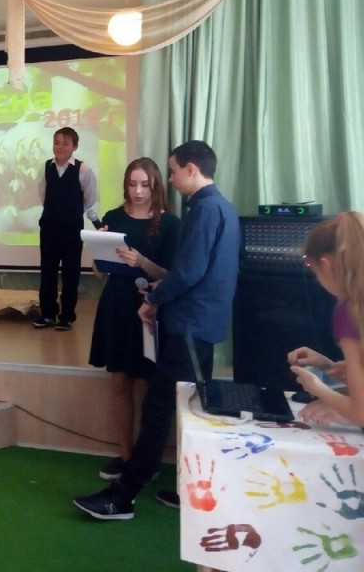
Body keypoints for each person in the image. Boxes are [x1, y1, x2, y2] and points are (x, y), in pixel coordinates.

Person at [73, 140, 239, 520]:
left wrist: (154, 299)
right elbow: (197, 271)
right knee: (186, 406)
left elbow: (189, 272)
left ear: (192, 169)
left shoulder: (204, 209)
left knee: (159, 407)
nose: (172, 179)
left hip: (190, 324)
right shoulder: (220, 207)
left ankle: (123, 497)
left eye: (175, 171)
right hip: (202, 323)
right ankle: (187, 488)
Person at [88, 158, 181, 481]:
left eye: (145, 185)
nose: (138, 191)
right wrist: (98, 249)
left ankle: (145, 460)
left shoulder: (170, 223)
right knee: (119, 382)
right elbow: (99, 273)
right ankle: (126, 457)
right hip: (116, 303)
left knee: (147, 385)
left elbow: (171, 275)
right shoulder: (114, 217)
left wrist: (141, 260)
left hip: (149, 307)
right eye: (132, 184)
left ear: (156, 186)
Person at [287, 211, 364, 427]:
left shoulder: (350, 311)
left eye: (314, 271)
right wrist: (327, 366)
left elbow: (360, 412)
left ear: (327, 265)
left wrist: (317, 388)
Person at [33, 127, 99, 332]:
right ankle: (47, 314)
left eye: (65, 143)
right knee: (48, 271)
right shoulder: (46, 167)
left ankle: (67, 316)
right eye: (56, 142)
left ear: (75, 147)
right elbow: (43, 195)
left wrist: (71, 212)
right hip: (49, 226)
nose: (60, 147)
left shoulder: (83, 169)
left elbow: (89, 198)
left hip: (72, 228)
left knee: (71, 272)